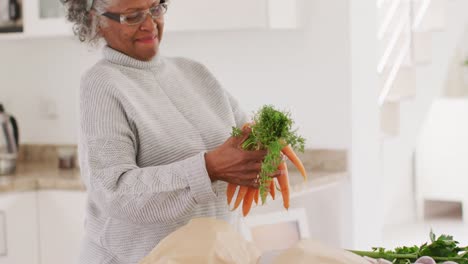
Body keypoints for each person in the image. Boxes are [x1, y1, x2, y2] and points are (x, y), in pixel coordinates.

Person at [62, 0, 279, 263]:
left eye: (155, 8)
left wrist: (266, 151)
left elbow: (245, 142)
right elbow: (114, 191)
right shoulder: (102, 84)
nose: (149, 24)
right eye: (132, 16)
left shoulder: (195, 72)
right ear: (96, 22)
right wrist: (207, 169)